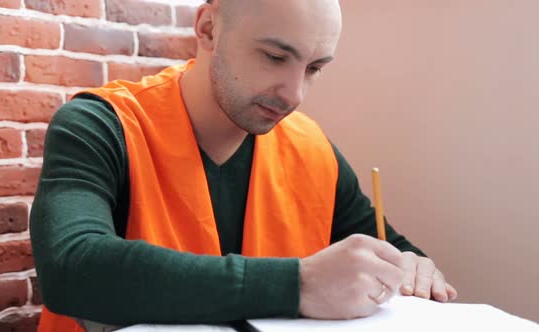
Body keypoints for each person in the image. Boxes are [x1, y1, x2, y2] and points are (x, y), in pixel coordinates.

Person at [30, 0, 457, 331]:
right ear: (208, 29)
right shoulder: (99, 125)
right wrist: (300, 285)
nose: (294, 94)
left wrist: (413, 267)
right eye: (274, 57)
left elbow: (390, 248)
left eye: (314, 68)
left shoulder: (312, 149)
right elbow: (72, 268)